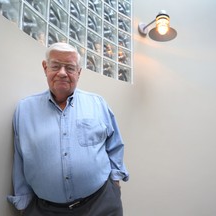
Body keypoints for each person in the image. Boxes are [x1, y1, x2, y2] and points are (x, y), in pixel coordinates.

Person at [7, 42, 129, 216]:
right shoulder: (25, 109)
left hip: (101, 204)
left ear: (78, 73)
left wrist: (115, 184)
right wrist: (23, 204)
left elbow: (115, 145)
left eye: (70, 68)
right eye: (55, 66)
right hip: (45, 210)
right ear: (45, 67)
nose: (62, 73)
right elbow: (20, 158)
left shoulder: (98, 103)